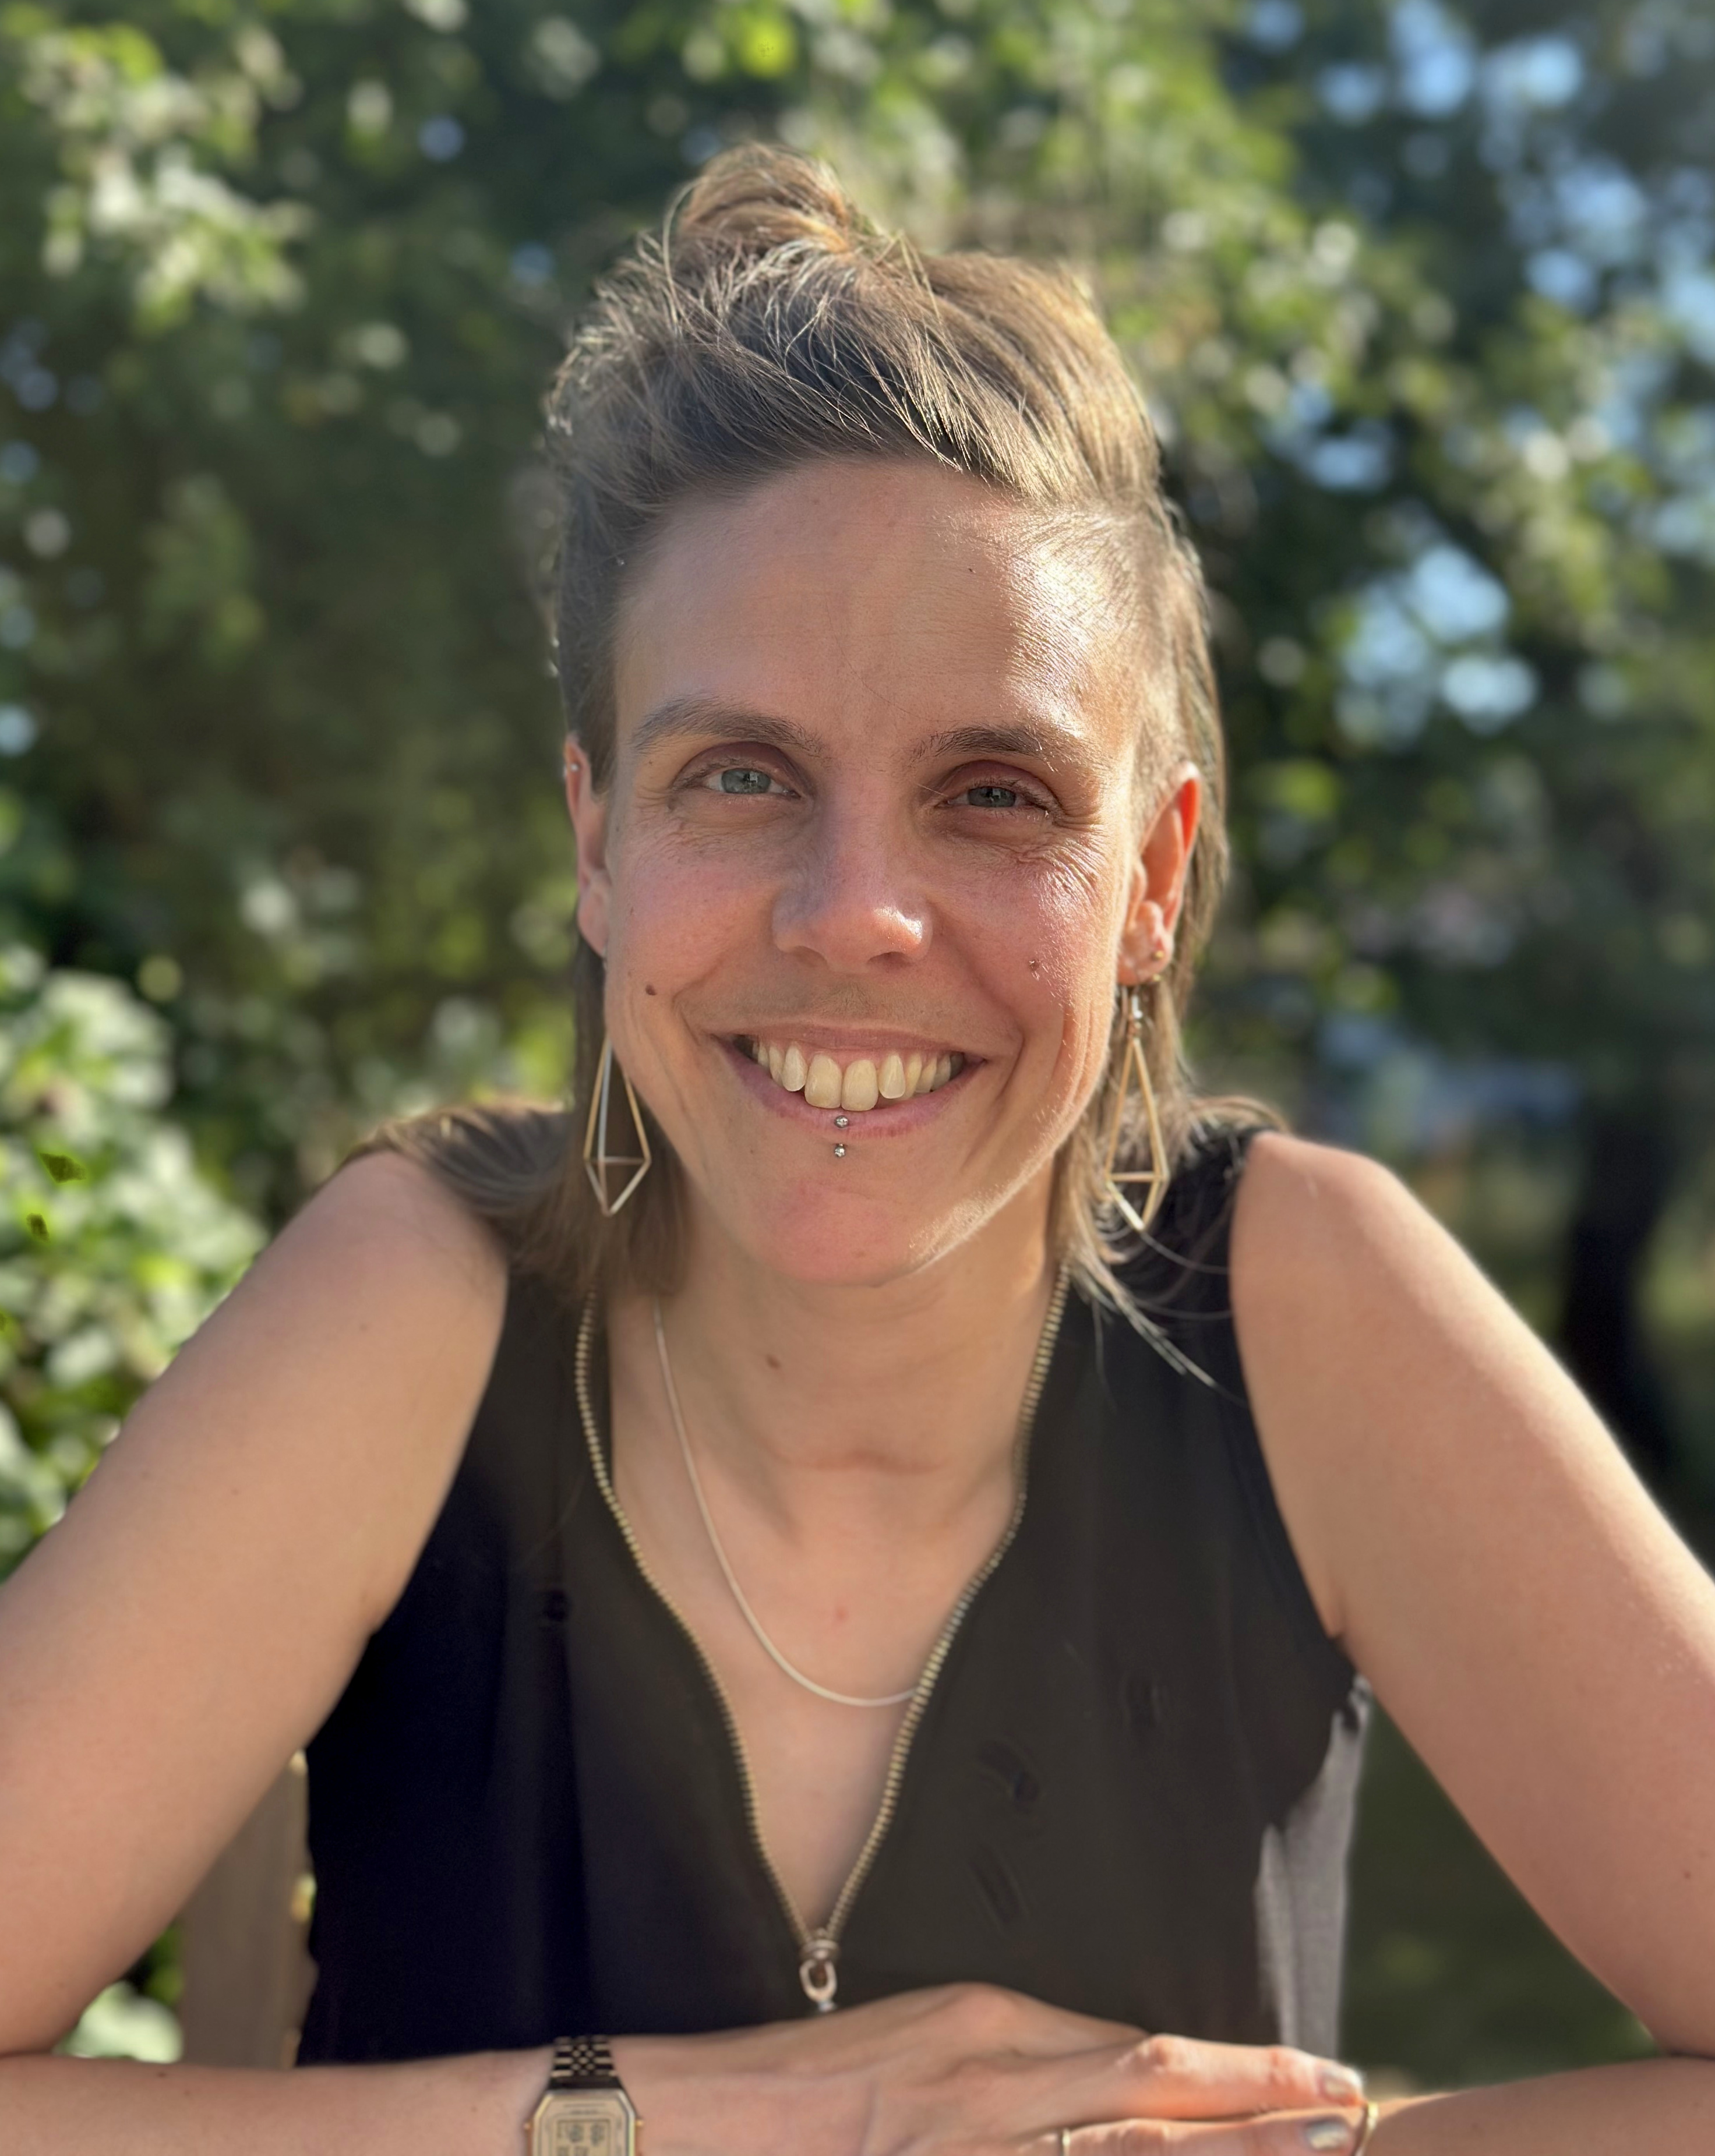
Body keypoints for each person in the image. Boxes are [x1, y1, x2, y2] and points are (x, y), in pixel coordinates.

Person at [1, 146, 1712, 2156]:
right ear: (598, 842)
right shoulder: (415, 1303)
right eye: (741, 775)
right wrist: (662, 2120)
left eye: (995, 794)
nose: (853, 918)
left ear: (1153, 878)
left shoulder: (1304, 1306)